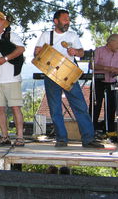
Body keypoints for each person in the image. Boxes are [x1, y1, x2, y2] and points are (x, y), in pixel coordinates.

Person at [34, 9, 103, 148]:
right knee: (55, 108)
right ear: (56, 21)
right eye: (65, 19)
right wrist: (41, 51)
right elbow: (36, 52)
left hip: (68, 74)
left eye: (68, 20)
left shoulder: (72, 35)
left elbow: (81, 52)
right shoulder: (47, 35)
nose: (67, 22)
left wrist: (75, 52)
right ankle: (61, 139)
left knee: (80, 106)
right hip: (51, 74)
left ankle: (88, 139)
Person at [0, 11, 25, 147]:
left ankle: (20, 137)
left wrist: (6, 58)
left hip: (12, 78)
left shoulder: (11, 35)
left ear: (3, 22)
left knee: (15, 107)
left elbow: (21, 49)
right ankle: (4, 136)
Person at [89, 34, 118, 135]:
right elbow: (92, 65)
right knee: (95, 106)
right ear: (111, 42)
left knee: (112, 106)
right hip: (99, 81)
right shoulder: (99, 50)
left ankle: (110, 131)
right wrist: (107, 68)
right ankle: (91, 130)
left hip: (112, 81)